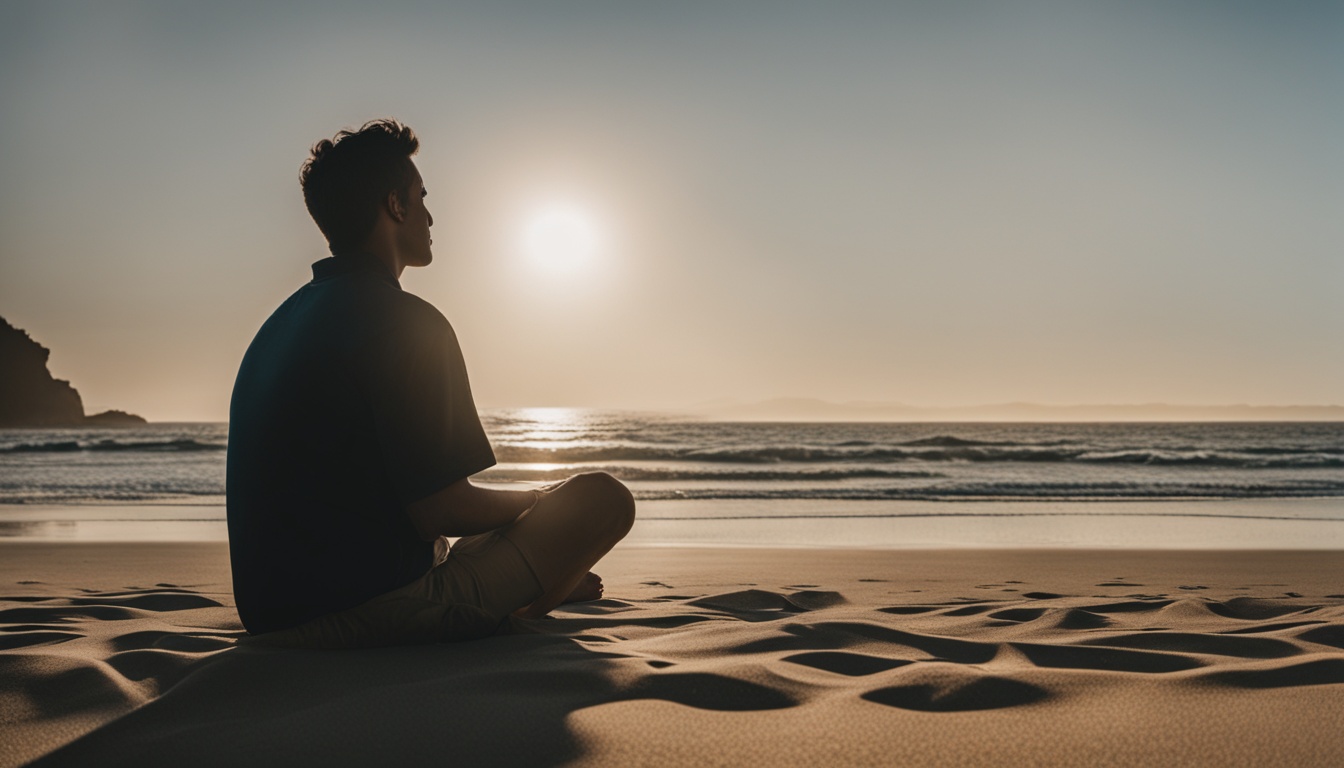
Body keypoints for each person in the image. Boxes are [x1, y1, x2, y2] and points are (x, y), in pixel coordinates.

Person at [226, 119, 635, 648]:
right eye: (421, 197)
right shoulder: (407, 320)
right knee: (602, 498)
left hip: (270, 613)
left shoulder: (279, 325)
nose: (430, 214)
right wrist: (537, 499)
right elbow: (443, 511)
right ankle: (528, 603)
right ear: (395, 206)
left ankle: (532, 581)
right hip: (365, 611)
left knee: (493, 529)